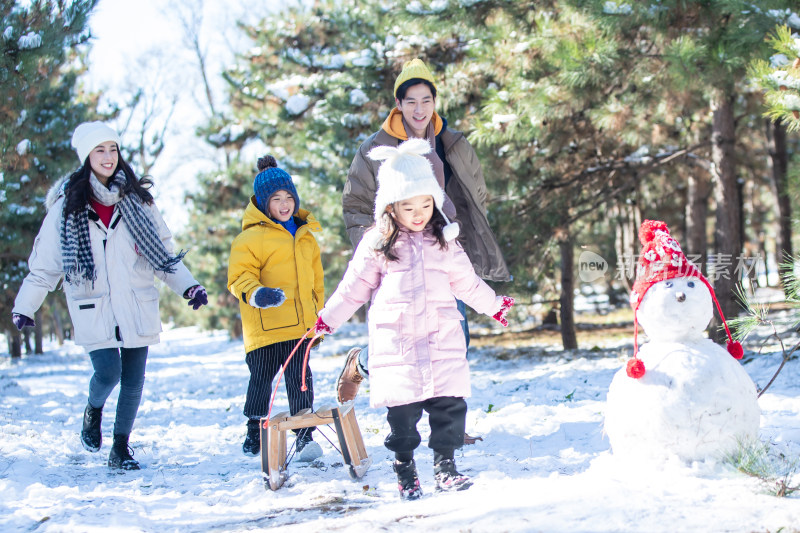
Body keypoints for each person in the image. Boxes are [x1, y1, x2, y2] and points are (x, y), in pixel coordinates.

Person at [313, 139, 514, 499]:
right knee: (403, 417)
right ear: (390, 208)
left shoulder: (445, 241)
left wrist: (493, 304)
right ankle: (405, 469)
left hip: (441, 338)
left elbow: (466, 283)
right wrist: (327, 320)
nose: (419, 212)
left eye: (426, 203)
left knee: (450, 407)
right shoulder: (377, 244)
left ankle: (445, 467)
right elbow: (353, 289)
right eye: (409, 206)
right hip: (399, 342)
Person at [11, 122, 207, 471]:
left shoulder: (140, 203)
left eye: (112, 149)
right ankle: (94, 408)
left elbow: (162, 255)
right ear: (87, 156)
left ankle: (121, 448)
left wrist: (189, 286)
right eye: (99, 150)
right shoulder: (66, 208)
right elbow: (44, 268)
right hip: (94, 305)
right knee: (108, 373)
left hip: (136, 302)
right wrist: (25, 307)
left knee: (133, 380)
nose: (107, 157)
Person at [337, 58, 511, 406]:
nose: (419, 109)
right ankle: (361, 363)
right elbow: (355, 204)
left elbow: (474, 197)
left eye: (426, 100)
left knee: (454, 337)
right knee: (398, 342)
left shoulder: (452, 143)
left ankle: (449, 423)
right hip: (395, 254)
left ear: (435, 102)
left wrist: (466, 241)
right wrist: (378, 245)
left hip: (443, 250)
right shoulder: (375, 149)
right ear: (398, 104)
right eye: (411, 101)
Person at [227, 155, 324, 461]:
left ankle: (306, 435)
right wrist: (257, 294)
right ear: (262, 203)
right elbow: (239, 277)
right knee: (261, 378)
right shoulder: (250, 238)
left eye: (289, 198)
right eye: (276, 199)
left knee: (300, 379)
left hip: (300, 327)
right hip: (265, 328)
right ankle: (255, 425)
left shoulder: (306, 236)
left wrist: (317, 315)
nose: (284, 205)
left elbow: (316, 283)